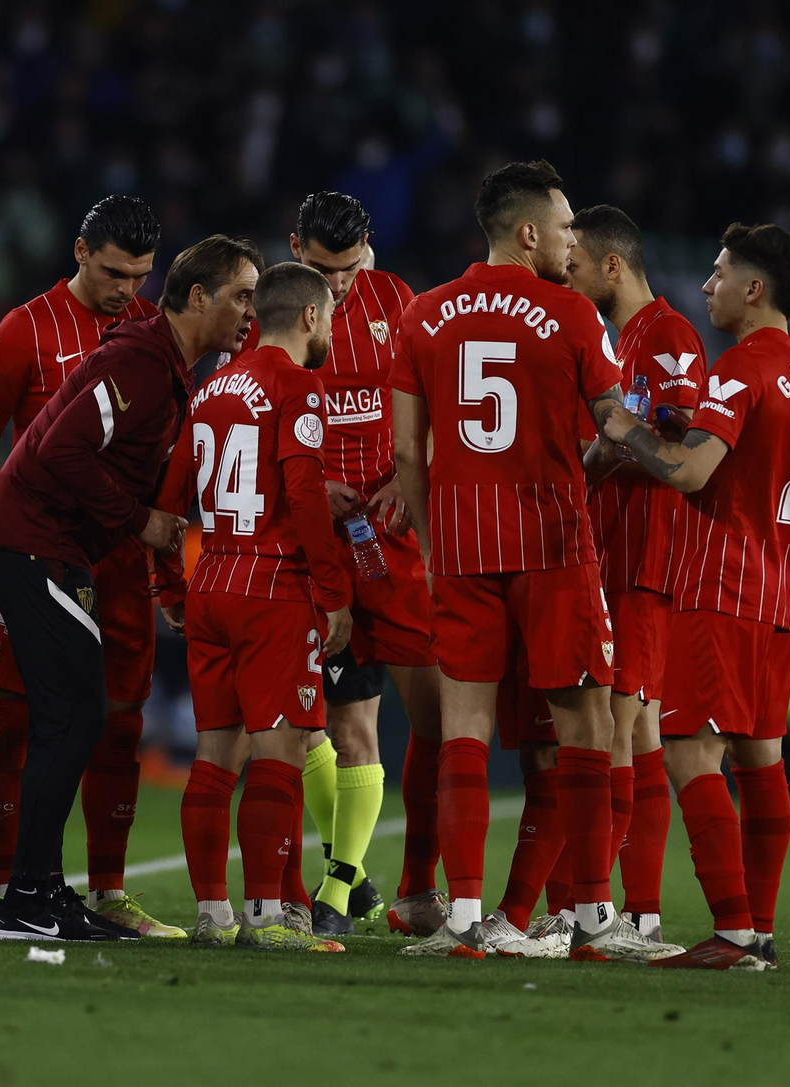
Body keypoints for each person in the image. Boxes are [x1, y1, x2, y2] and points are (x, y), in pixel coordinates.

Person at [389, 160, 671, 961]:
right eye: (565, 224)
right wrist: (672, 451)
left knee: (466, 731)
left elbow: (409, 451)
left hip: (464, 545)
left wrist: (433, 538)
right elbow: (616, 422)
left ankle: (465, 919)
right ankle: (588, 920)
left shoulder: (424, 314)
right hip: (553, 546)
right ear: (528, 233)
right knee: (584, 728)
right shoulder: (575, 316)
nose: (572, 237)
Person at [0, 233, 260, 941]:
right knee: (72, 716)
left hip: (50, 546)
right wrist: (139, 521)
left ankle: (40, 890)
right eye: (241, 296)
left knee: (77, 716)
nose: (250, 312)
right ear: (199, 298)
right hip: (31, 543)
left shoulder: (162, 364)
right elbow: (60, 446)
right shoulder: (139, 358)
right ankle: (24, 900)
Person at [601, 223, 790, 970]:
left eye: (721, 273)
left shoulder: (739, 366)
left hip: (721, 585)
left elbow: (691, 474)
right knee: (761, 757)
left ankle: (729, 930)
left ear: (754, 289)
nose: (707, 286)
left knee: (690, 747)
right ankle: (757, 926)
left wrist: (626, 428)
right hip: (780, 590)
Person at [158, 261, 352, 952]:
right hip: (273, 585)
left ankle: (214, 913)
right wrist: (333, 593)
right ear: (308, 317)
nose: (329, 329)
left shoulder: (214, 386)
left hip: (210, 578)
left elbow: (168, 494)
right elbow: (303, 495)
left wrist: (167, 589)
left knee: (214, 756)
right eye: (328, 316)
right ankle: (269, 915)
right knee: (281, 749)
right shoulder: (297, 385)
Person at [283, 191, 445, 938]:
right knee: (314, 726)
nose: (338, 283)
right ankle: (341, 880)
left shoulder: (397, 302)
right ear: (295, 248)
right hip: (307, 541)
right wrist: (311, 487)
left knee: (426, 720)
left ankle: (405, 885)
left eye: (348, 268)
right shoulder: (277, 313)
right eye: (322, 267)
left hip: (389, 542)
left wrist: (410, 480)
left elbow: (439, 406)